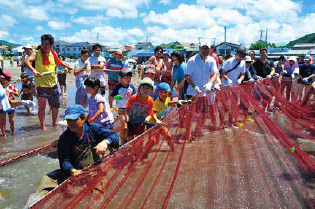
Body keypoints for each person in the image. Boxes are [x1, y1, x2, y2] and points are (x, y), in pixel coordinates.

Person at [25, 104, 119, 207]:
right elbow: (64, 160)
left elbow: (114, 137)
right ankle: (31, 205)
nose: (71, 123)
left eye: (74, 120)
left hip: (94, 170)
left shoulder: (94, 129)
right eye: (69, 120)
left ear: (83, 118)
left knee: (97, 194)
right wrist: (72, 170)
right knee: (46, 180)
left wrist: (105, 142)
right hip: (74, 171)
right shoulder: (64, 138)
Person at [24, 34, 73, 129]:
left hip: (53, 84)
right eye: (42, 44)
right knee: (42, 106)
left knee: (55, 106)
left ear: (51, 45)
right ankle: (43, 126)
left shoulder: (53, 53)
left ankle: (54, 123)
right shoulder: (36, 53)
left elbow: (59, 62)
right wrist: (34, 71)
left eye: (46, 44)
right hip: (41, 85)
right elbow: (27, 61)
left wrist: (68, 67)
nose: (44, 46)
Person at [185, 42, 219, 134]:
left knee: (203, 114)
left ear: (210, 49)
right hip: (193, 92)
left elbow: (215, 73)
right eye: (203, 48)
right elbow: (187, 76)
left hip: (204, 92)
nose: (204, 50)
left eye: (206, 48)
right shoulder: (192, 60)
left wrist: (210, 83)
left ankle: (197, 130)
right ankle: (188, 134)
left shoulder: (211, 60)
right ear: (199, 48)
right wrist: (194, 86)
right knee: (190, 115)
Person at [0, 70, 36, 136]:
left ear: (8, 79)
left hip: (12, 104)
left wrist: (11, 91)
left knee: (12, 120)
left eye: (3, 79)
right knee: (2, 121)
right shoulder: (1, 86)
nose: (2, 80)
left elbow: (17, 94)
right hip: (2, 105)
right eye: (1, 79)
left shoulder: (11, 86)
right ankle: (4, 134)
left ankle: (13, 133)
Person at [109, 70, 136, 144]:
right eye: (126, 77)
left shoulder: (132, 87)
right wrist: (116, 97)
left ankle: (124, 141)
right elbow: (110, 98)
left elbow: (135, 97)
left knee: (127, 128)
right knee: (124, 126)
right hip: (120, 109)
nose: (128, 79)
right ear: (121, 78)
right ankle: (122, 143)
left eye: (130, 77)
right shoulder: (118, 87)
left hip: (129, 110)